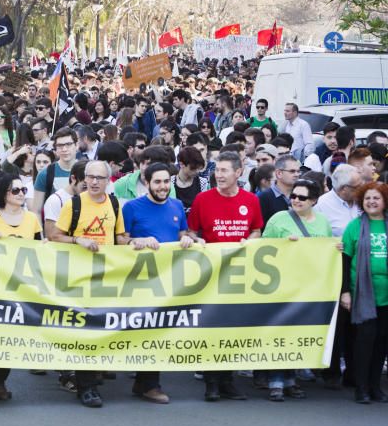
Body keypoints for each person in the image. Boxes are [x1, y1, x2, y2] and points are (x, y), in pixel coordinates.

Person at [49, 160, 127, 408]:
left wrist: (140, 242)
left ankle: (93, 377)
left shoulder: (114, 204)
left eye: (99, 178)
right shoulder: (74, 204)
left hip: (105, 276)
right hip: (77, 277)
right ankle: (86, 386)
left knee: (101, 328)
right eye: (90, 177)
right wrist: (77, 240)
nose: (93, 182)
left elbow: (120, 238)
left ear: (108, 180)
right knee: (84, 331)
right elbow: (54, 236)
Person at [122, 162, 201, 404]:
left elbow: (181, 233)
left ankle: (146, 383)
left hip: (168, 281)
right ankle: (148, 384)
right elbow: (120, 240)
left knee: (159, 330)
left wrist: (188, 239)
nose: (163, 186)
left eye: (166, 181)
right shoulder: (132, 208)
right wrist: (139, 240)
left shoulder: (177, 206)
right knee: (146, 331)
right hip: (139, 280)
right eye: (157, 182)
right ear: (146, 183)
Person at [187, 151, 261, 402]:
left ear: (238, 173)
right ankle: (211, 383)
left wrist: (248, 241)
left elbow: (256, 230)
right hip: (210, 273)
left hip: (240, 274)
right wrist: (197, 241)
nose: (218, 175)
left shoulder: (251, 200)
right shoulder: (202, 199)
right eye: (216, 171)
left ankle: (228, 380)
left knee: (234, 329)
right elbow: (191, 230)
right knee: (212, 327)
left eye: (224, 171)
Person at [259, 178, 330, 401]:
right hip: (281, 285)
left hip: (308, 287)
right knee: (279, 333)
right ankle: (276, 381)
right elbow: (262, 249)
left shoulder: (322, 223)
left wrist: (336, 247)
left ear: (314, 201)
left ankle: (291, 379)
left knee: (297, 334)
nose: (296, 200)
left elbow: (327, 253)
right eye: (294, 196)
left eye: (302, 197)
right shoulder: (279, 219)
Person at [0, 174, 42, 401]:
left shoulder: (31, 218)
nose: (22, 194)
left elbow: (40, 249)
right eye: (16, 190)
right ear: (4, 193)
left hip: (19, 288)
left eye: (23, 190)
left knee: (8, 337)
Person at [340, 182, 388, 404]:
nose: (371, 202)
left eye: (376, 198)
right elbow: (345, 260)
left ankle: (375, 386)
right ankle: (361, 388)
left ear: (384, 201)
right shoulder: (354, 227)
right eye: (367, 198)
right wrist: (346, 292)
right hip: (363, 294)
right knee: (364, 341)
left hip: (386, 296)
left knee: (382, 341)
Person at [315, 164, 362, 237]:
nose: (361, 189)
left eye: (361, 184)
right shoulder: (323, 205)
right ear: (344, 189)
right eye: (357, 187)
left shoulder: (364, 199)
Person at [258, 154, 300, 225]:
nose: (297, 174)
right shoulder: (264, 198)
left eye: (298, 171)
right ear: (279, 173)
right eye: (292, 171)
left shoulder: (302, 195)